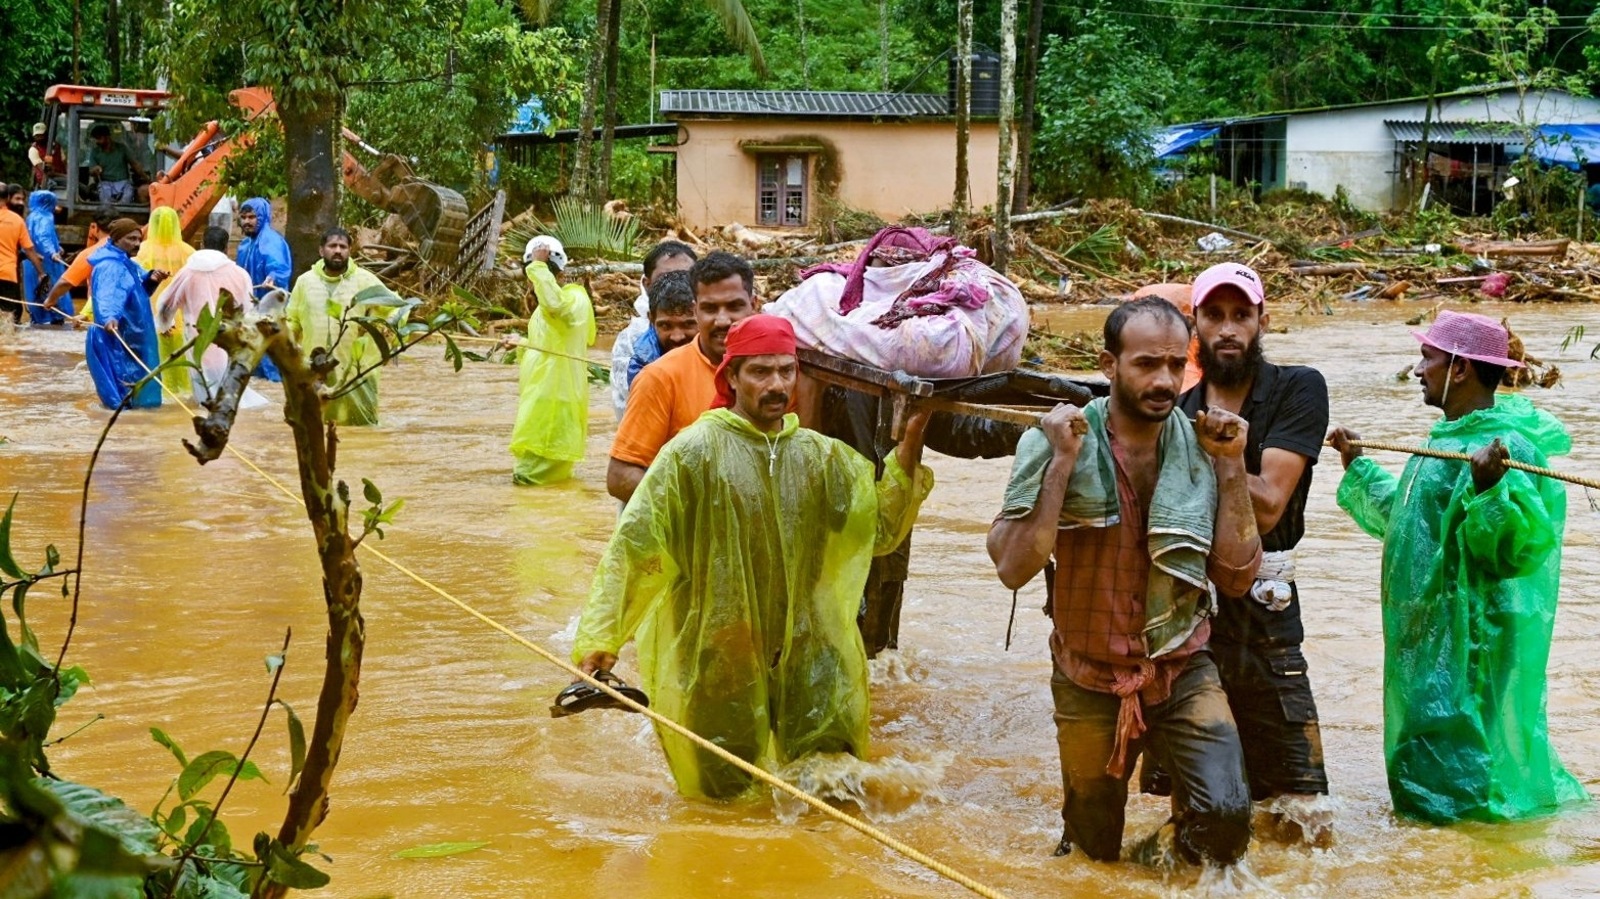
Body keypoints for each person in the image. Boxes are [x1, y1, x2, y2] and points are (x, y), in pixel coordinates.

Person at [573, 315, 935, 799]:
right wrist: (603, 636)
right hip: (719, 648)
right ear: (732, 377)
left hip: (810, 645)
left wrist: (908, 452)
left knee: (831, 787)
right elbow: (637, 547)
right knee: (723, 796)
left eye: (786, 371)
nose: (777, 385)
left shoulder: (824, 458)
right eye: (761, 372)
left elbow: (880, 533)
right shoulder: (692, 454)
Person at [987, 296, 1260, 868]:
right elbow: (1014, 566)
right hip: (1089, 674)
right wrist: (1062, 462)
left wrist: (1232, 466)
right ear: (1108, 365)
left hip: (1180, 663)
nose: (1164, 380)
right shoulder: (1055, 440)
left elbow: (1236, 578)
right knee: (1092, 846)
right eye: (1145, 365)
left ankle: (1157, 862)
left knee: (1228, 818)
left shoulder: (1205, 447)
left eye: (1174, 364)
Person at [1328, 310, 1586, 825]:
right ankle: (1452, 849)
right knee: (1430, 746)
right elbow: (1411, 525)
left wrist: (1491, 489)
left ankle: (1472, 852)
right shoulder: (1445, 440)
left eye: (1429, 357)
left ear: (1461, 368)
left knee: (1464, 753)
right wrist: (1356, 463)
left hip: (1474, 634)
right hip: (1429, 633)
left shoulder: (1508, 448)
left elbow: (1516, 551)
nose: (1419, 369)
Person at [1172, 263, 1331, 842]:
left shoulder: (1299, 387)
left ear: (1264, 320)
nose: (1229, 328)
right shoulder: (1174, 405)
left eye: (1242, 315)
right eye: (1214, 315)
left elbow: (1266, 511)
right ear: (1196, 324)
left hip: (1267, 609)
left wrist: (1224, 453)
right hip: (1187, 611)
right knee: (1198, 812)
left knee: (1303, 812)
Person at [607, 251, 760, 503]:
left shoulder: (777, 372)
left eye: (734, 307)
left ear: (754, 305)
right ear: (696, 309)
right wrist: (700, 505)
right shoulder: (659, 377)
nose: (722, 320)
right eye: (710, 308)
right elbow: (620, 477)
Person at [507, 236, 596, 485]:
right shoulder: (544, 308)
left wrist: (537, 267)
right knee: (535, 482)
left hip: (557, 402)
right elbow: (547, 348)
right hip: (541, 401)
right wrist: (521, 343)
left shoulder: (573, 299)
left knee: (529, 479)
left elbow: (557, 308)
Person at [285, 227, 394, 426]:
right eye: (332, 246)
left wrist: (385, 332)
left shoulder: (365, 280)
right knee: (314, 423)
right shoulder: (305, 282)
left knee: (361, 426)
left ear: (349, 251)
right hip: (315, 366)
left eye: (343, 246)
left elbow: (396, 307)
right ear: (321, 251)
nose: (338, 250)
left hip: (357, 368)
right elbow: (292, 321)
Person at [158, 226, 266, 409]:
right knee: (231, 391)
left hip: (197, 339)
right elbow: (250, 311)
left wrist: (164, 324)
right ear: (225, 248)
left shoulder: (187, 272)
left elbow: (166, 303)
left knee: (204, 392)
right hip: (230, 340)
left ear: (202, 244)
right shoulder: (239, 274)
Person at [611, 240, 697, 420]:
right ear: (647, 283)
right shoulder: (633, 342)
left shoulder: (715, 330)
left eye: (685, 276)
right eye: (665, 278)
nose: (676, 284)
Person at [85, 218, 166, 409]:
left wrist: (151, 279)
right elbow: (108, 295)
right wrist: (108, 317)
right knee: (125, 390)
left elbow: (136, 291)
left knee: (140, 381)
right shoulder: (110, 266)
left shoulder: (127, 263)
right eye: (131, 239)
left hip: (135, 333)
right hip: (120, 337)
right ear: (117, 239)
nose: (137, 244)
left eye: (139, 239)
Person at [137, 207, 195, 396]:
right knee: (182, 361)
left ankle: (164, 397)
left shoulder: (143, 249)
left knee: (157, 361)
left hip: (152, 314)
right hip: (180, 315)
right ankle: (184, 394)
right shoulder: (188, 251)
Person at [238, 197, 292, 382]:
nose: (247, 221)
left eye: (252, 217)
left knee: (273, 359)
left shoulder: (272, 241)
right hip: (251, 310)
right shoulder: (245, 245)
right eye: (243, 217)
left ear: (262, 217)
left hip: (271, 310)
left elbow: (278, 267)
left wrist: (272, 278)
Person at [625, 269, 696, 386]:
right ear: (651, 320)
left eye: (688, 324)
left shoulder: (723, 354)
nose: (677, 337)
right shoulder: (641, 367)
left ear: (703, 316)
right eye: (665, 326)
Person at [43, 207, 116, 319]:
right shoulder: (125, 250)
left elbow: (65, 282)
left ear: (95, 227)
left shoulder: (91, 253)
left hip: (102, 315)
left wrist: (50, 299)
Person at [0, 185, 47, 326]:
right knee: (7, 320)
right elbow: (29, 250)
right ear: (8, 198)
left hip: (8, 273)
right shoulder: (17, 220)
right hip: (7, 275)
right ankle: (6, 347)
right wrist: (41, 273)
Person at [21, 190, 68, 325]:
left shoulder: (31, 217)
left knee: (35, 290)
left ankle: (38, 318)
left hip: (33, 260)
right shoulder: (45, 217)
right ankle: (54, 318)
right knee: (51, 290)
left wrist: (57, 247)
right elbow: (43, 237)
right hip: (47, 262)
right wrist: (52, 252)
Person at [87, 124, 147, 205]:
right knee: (105, 198)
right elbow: (91, 170)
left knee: (128, 195)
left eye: (99, 138)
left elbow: (134, 164)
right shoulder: (95, 152)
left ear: (107, 137)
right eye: (96, 139)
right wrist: (95, 169)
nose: (97, 142)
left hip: (123, 182)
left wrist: (147, 178)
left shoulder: (122, 149)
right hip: (105, 183)